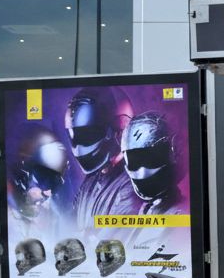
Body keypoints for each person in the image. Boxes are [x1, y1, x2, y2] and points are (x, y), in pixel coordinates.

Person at [65, 87, 138, 229]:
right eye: (77, 135)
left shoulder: (133, 185)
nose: (80, 147)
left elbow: (114, 240)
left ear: (119, 130)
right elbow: (70, 227)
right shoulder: (90, 182)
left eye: (88, 134)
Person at [121, 112, 182, 215]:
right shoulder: (145, 211)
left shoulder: (181, 212)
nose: (143, 172)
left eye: (150, 158)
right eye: (135, 160)